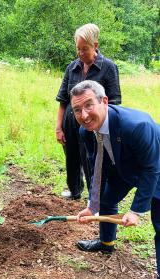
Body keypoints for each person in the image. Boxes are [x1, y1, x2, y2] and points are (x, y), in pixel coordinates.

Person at [70, 80, 160, 279]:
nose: (84, 114)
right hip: (124, 165)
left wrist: (136, 210)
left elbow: (151, 169)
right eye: (77, 110)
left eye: (89, 105)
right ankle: (106, 242)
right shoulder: (85, 130)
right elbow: (96, 164)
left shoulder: (137, 125)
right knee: (107, 200)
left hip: (155, 168)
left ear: (105, 102)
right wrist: (93, 204)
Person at [55, 23, 121, 200]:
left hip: (93, 124)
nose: (81, 53)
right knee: (71, 157)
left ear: (95, 46)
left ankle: (95, 197)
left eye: (85, 49)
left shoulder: (108, 67)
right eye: (78, 49)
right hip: (70, 121)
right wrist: (59, 127)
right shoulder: (72, 67)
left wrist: (102, 127)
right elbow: (63, 100)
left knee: (92, 159)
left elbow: (114, 102)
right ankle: (74, 190)